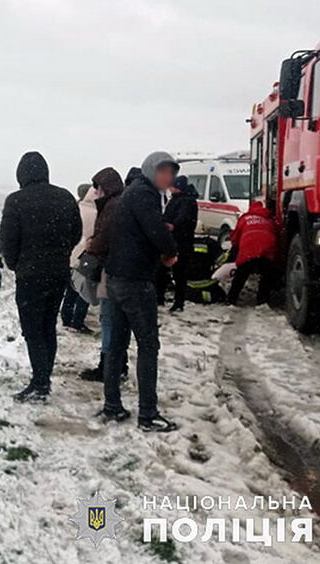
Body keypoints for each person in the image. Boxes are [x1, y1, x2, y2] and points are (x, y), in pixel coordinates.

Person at [101, 151, 179, 433]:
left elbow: (137, 231)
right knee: (148, 346)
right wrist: (170, 252)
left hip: (117, 278)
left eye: (171, 173)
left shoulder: (132, 193)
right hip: (135, 282)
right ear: (150, 171)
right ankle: (148, 414)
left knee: (117, 345)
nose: (168, 178)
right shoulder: (145, 194)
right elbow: (155, 231)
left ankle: (112, 405)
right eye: (163, 171)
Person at [0, 151, 81, 402]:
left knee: (33, 330)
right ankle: (43, 379)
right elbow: (75, 233)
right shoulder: (65, 197)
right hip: (57, 273)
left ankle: (40, 383)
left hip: (30, 276)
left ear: (21, 174)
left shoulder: (16, 201)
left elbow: (8, 240)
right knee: (47, 327)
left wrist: (16, 264)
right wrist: (61, 253)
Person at [78, 168, 126, 382]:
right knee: (115, 321)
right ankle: (117, 364)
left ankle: (108, 366)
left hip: (111, 270)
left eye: (97, 188)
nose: (95, 193)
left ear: (105, 188)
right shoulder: (121, 204)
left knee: (108, 319)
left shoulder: (112, 207)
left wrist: (91, 245)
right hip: (121, 270)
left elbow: (103, 239)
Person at [227, 201, 279, 306]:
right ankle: (262, 301)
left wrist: (233, 255)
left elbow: (235, 238)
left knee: (241, 275)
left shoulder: (244, 218)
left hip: (248, 250)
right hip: (267, 249)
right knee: (266, 276)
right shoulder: (269, 219)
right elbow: (277, 234)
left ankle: (231, 299)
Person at [61, 184, 97, 333]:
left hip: (71, 255)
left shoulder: (74, 208)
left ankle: (66, 318)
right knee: (84, 291)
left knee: (71, 289)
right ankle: (77, 322)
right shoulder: (96, 212)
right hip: (85, 256)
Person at [163, 176, 199, 312]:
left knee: (179, 273)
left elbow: (183, 218)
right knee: (172, 271)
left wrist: (172, 225)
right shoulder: (178, 199)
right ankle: (168, 298)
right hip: (177, 240)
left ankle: (179, 302)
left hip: (181, 242)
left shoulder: (187, 201)